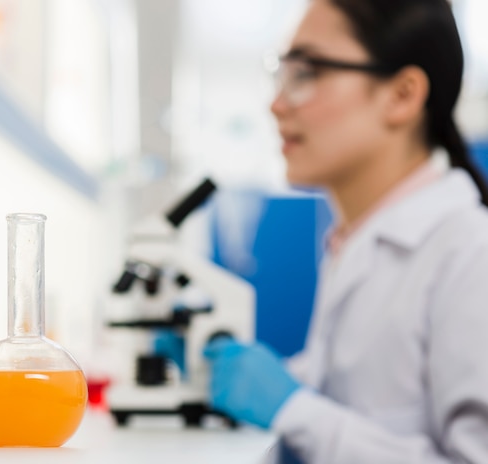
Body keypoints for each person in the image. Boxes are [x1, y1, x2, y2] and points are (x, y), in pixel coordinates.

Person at [203, 0, 488, 462]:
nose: (276, 104)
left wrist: (294, 409)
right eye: (282, 72)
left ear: (402, 95)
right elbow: (360, 399)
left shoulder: (471, 254)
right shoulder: (351, 242)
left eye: (308, 71)